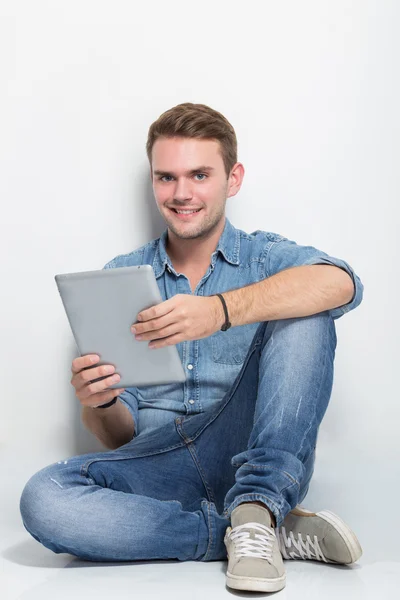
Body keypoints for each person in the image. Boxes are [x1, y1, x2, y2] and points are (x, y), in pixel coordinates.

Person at [20, 102, 364, 593]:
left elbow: (342, 283)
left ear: (233, 178)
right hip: (161, 466)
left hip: (248, 451)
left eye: (199, 175)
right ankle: (247, 530)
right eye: (166, 178)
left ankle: (259, 501)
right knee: (43, 498)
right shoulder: (122, 275)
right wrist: (100, 403)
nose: (182, 194)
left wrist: (219, 311)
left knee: (307, 304)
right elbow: (119, 438)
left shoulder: (265, 257)